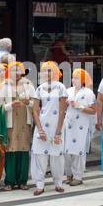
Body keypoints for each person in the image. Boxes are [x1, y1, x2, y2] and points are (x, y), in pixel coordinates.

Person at [0, 61, 36, 191]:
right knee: (11, 150)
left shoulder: (29, 84)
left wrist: (28, 102)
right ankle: (9, 181)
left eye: (18, 70)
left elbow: (36, 104)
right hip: (10, 122)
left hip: (25, 122)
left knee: (24, 150)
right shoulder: (4, 84)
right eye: (13, 70)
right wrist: (10, 106)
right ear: (9, 72)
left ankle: (22, 181)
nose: (16, 73)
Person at [31, 61, 67, 195]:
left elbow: (62, 111)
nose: (48, 73)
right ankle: (39, 185)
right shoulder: (40, 88)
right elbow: (35, 111)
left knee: (56, 156)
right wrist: (40, 129)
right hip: (42, 125)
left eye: (50, 70)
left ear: (56, 72)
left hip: (56, 125)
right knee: (40, 155)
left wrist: (58, 132)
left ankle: (58, 183)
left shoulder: (61, 87)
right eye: (45, 70)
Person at [63, 68, 96, 186]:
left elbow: (93, 110)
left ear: (82, 80)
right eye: (73, 77)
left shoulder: (88, 93)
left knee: (78, 150)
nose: (73, 80)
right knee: (66, 150)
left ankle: (78, 176)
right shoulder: (68, 91)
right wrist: (65, 105)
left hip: (81, 125)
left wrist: (80, 107)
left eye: (76, 78)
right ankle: (68, 173)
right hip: (68, 124)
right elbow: (61, 107)